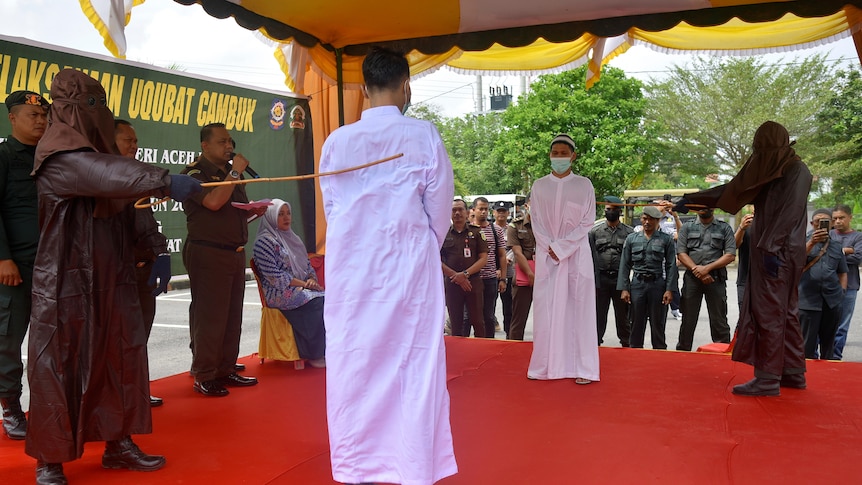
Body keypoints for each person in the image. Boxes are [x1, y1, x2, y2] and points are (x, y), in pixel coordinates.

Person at [26, 68, 202, 484]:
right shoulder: (58, 157)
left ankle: (118, 442)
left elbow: (123, 196)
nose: (98, 113)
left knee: (120, 358)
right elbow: (104, 175)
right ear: (70, 109)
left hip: (112, 276)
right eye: (91, 105)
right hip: (65, 283)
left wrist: (155, 252)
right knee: (59, 365)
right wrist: (164, 180)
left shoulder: (102, 162)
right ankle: (50, 459)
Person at [318, 46, 457, 485]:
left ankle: (357, 466)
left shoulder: (337, 141)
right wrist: (418, 246)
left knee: (354, 361)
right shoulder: (422, 135)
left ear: (363, 88)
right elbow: (440, 210)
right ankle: (412, 467)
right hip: (407, 269)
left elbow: (333, 209)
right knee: (413, 363)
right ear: (405, 85)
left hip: (352, 271)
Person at [678, 121, 811, 397]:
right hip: (777, 251)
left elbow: (790, 212)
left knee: (769, 313)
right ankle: (793, 372)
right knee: (785, 312)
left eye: (761, 149)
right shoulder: (776, 168)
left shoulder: (795, 171)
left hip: (776, 253)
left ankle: (767, 378)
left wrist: (771, 248)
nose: (758, 154)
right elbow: (733, 190)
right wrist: (690, 200)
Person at [180, 123, 265, 398]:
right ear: (205, 145)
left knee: (231, 316)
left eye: (230, 142)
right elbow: (214, 203)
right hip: (208, 252)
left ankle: (226, 368)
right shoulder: (195, 173)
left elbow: (234, 212)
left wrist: (254, 212)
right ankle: (205, 374)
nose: (229, 147)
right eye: (222, 142)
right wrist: (236, 171)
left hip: (233, 252)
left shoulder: (229, 174)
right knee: (211, 317)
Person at [527, 134, 599, 384]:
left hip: (576, 255)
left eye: (563, 153)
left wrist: (563, 247)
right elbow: (535, 221)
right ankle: (544, 366)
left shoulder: (584, 185)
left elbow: (587, 221)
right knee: (547, 311)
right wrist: (550, 246)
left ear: (573, 156)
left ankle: (584, 369)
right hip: (548, 257)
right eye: (554, 153)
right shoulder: (538, 186)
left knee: (580, 311)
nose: (558, 157)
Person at [0, 90, 47, 440]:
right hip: (15, 267)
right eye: (33, 115)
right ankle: (12, 409)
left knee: (52, 341)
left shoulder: (51, 157)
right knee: (9, 341)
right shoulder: (3, 156)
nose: (41, 120)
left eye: (44, 114)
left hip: (52, 264)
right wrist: (3, 258)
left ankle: (50, 406)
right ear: (13, 118)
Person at [115, 119, 170, 407]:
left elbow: (148, 223)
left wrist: (161, 254)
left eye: (136, 141)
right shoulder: (105, 179)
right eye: (128, 140)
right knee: (118, 341)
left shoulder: (136, 178)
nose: (134, 146)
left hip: (143, 269)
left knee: (139, 337)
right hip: (117, 274)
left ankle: (135, 390)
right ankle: (118, 395)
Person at [252, 199, 326, 367]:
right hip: (278, 293)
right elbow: (275, 278)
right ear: (271, 216)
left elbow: (307, 266)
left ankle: (327, 349)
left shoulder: (293, 239)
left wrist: (311, 280)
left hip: (299, 288)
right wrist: (305, 285)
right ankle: (314, 354)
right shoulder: (263, 243)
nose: (286, 218)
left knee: (328, 299)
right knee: (316, 302)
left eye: (288, 213)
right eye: (280, 214)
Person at [675, 207, 736, 351]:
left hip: (715, 279)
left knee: (719, 320)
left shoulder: (724, 228)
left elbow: (730, 255)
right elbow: (681, 253)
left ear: (713, 208)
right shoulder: (687, 228)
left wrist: (706, 269)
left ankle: (722, 353)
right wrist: (698, 271)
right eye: (700, 206)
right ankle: (683, 353)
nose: (703, 209)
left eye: (706, 206)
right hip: (692, 280)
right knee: (688, 320)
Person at [617, 206, 677, 349]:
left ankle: (659, 353)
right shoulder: (632, 239)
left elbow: (671, 266)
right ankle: (635, 352)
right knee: (636, 322)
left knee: (658, 322)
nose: (647, 222)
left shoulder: (665, 239)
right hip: (638, 284)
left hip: (657, 284)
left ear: (658, 221)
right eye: (644, 218)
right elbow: (624, 265)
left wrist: (670, 289)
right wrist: (624, 288)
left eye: (651, 219)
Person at [799, 209, 847, 360]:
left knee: (828, 344)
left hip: (832, 302)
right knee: (805, 346)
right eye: (817, 221)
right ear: (812, 224)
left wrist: (842, 293)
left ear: (832, 224)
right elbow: (793, 264)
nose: (820, 224)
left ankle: (829, 375)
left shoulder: (836, 246)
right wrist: (812, 242)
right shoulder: (800, 243)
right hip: (807, 302)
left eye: (825, 221)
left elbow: (842, 272)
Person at [589, 195, 633, 347]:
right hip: (600, 279)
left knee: (623, 316)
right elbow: (590, 258)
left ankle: (626, 343)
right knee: (598, 315)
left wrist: (626, 284)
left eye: (614, 209)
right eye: (608, 209)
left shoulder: (629, 233)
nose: (610, 212)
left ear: (620, 211)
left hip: (620, 280)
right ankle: (595, 344)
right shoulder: (595, 232)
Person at [442, 199, 488, 337]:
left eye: (460, 210)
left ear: (467, 212)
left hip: (473, 282)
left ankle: (481, 351)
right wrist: (456, 276)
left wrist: (465, 274)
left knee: (478, 321)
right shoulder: (443, 234)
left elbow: (483, 258)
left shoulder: (477, 232)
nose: (457, 213)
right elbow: (436, 260)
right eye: (453, 210)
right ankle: (459, 354)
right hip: (452, 283)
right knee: (456, 323)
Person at [472, 197, 507, 338]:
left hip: (490, 279)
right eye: (480, 208)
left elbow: (502, 255)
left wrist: (503, 278)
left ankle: (489, 344)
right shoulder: (469, 229)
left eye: (486, 209)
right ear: (473, 210)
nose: (483, 212)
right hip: (472, 279)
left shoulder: (496, 230)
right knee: (470, 316)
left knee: (489, 316)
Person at [830, 204, 862, 359]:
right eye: (835, 218)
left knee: (842, 326)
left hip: (850, 287)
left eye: (841, 217)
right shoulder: (828, 235)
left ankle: (836, 357)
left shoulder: (858, 237)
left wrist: (835, 253)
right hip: (828, 286)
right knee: (825, 324)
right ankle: (823, 357)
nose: (838, 221)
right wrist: (846, 250)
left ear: (850, 217)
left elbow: (858, 257)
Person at [507, 192, 536, 341]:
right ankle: (514, 350)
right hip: (524, 277)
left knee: (547, 320)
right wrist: (531, 274)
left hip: (545, 278)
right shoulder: (515, 226)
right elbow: (517, 253)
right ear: (527, 205)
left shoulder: (549, 226)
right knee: (518, 320)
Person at [494, 201, 515, 335]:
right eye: (499, 211)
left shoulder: (512, 229)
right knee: (489, 309)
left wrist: (509, 258)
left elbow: (517, 246)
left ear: (508, 213)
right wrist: (499, 261)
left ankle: (509, 336)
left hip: (509, 273)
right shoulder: (489, 229)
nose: (501, 213)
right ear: (494, 213)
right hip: (493, 273)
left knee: (509, 309)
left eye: (504, 211)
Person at [734, 209, 754, 309]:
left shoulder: (774, 224)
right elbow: (734, 246)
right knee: (744, 316)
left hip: (768, 282)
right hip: (745, 280)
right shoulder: (746, 224)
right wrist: (742, 228)